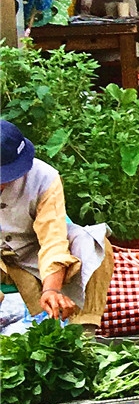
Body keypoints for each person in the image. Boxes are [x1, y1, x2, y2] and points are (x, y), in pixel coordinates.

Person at [0, 122, 107, 327]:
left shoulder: (44, 177)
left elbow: (53, 238)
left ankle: (82, 333)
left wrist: (51, 289)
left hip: (32, 251)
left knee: (93, 242)